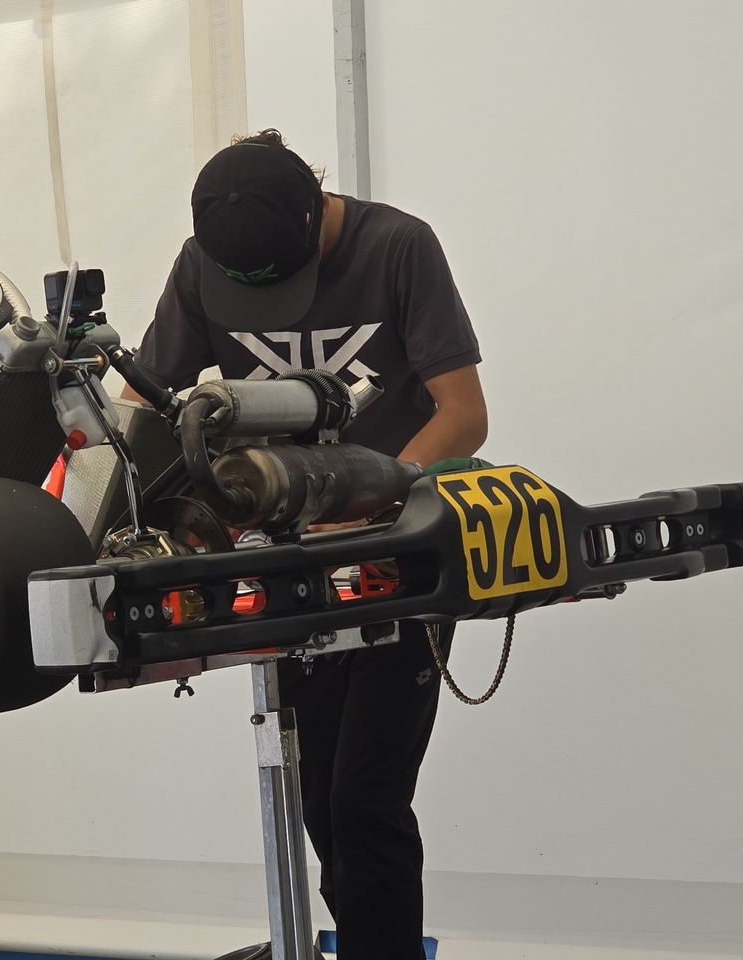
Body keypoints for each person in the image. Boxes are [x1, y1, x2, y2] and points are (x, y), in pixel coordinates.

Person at [123, 129, 487, 960]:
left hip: (399, 559)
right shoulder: (204, 263)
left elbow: (464, 413)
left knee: (365, 800)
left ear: (317, 208)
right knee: (317, 801)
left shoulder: (398, 247)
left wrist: (372, 500)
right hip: (286, 565)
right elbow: (141, 408)